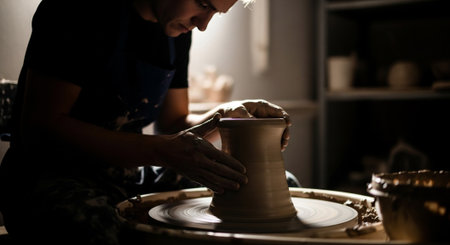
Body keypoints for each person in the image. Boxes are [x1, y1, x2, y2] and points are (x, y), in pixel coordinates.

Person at [0, 0, 292, 244]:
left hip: (127, 176)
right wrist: (160, 151)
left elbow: (174, 123)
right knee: (106, 230)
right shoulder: (79, 8)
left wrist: (227, 113)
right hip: (48, 177)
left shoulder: (177, 29)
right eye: (204, 4)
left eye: (216, 12)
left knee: (271, 187)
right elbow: (41, 129)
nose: (203, 24)